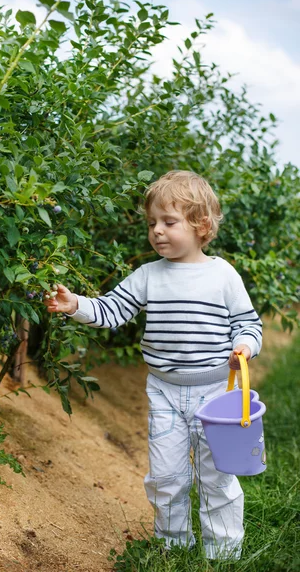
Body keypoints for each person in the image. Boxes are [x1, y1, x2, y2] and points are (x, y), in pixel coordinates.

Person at [44, 170, 262, 561]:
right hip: (163, 391)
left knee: (216, 476)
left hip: (216, 394)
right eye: (152, 223)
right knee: (165, 477)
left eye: (169, 221)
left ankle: (224, 553)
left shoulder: (222, 275)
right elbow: (112, 310)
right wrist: (75, 305)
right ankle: (174, 545)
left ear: (202, 225)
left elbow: (247, 323)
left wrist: (243, 346)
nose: (157, 231)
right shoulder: (148, 276)